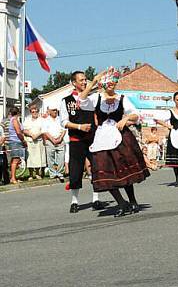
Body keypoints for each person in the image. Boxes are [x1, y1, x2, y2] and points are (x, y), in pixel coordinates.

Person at [78, 70, 149, 217]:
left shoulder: (122, 98)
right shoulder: (97, 97)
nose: (111, 85)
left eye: (113, 82)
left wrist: (125, 118)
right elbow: (81, 100)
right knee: (104, 170)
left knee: (125, 170)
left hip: (120, 137)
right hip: (103, 138)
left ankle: (133, 201)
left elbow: (136, 115)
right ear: (104, 84)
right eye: (108, 82)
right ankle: (122, 203)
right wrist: (93, 82)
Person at [59, 71, 106, 213]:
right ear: (74, 82)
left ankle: (96, 199)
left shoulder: (91, 98)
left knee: (96, 168)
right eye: (81, 80)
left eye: (86, 80)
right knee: (75, 170)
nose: (84, 82)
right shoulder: (66, 101)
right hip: (76, 139)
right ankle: (74, 201)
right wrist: (79, 127)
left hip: (92, 139)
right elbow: (64, 122)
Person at [41, 105, 66, 180]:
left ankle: (60, 172)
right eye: (53, 110)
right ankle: (52, 173)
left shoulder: (60, 119)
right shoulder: (46, 120)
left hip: (60, 140)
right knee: (50, 157)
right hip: (50, 141)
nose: (55, 111)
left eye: (56, 110)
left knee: (61, 157)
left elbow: (64, 129)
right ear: (49, 111)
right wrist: (52, 139)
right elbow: (45, 131)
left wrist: (60, 138)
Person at [22, 105, 46, 179]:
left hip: (39, 140)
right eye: (33, 111)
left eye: (36, 111)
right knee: (30, 158)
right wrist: (31, 135)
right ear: (30, 112)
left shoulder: (41, 120)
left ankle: (38, 173)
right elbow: (24, 130)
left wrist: (37, 135)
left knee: (39, 158)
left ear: (38, 111)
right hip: (30, 141)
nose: (34, 112)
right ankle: (31, 174)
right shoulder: (27, 120)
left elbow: (43, 130)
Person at [5, 107, 26, 185]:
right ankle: (13, 178)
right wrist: (23, 140)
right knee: (15, 160)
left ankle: (13, 177)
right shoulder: (14, 120)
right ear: (18, 112)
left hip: (15, 141)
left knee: (16, 160)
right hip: (15, 142)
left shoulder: (14, 120)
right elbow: (18, 132)